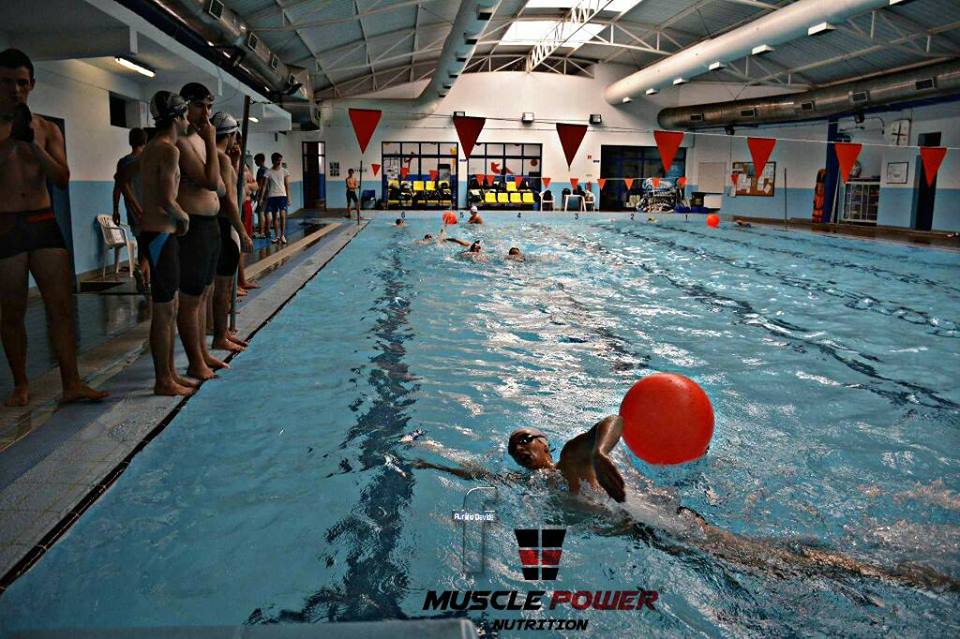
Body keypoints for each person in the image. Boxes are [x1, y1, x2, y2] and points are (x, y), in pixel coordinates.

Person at [412, 416, 959, 592]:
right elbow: (473, 474)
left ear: (544, 445)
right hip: (651, 537)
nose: (521, 446)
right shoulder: (529, 487)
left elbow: (612, 421)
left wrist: (602, 457)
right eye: (514, 446)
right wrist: (428, 456)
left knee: (770, 562)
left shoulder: (573, 466)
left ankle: (899, 575)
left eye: (526, 437)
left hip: (664, 525)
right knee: (763, 565)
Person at [0, 48, 108, 406]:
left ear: (32, 85)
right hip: (6, 225)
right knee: (12, 310)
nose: (15, 90)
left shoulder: (46, 129)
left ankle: (71, 382)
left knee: (60, 307)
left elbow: (62, 178)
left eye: (21, 83)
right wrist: (10, 144)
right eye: (6, 82)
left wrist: (32, 145)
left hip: (43, 222)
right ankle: (21, 385)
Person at [138, 91, 196, 396]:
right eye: (185, 114)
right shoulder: (168, 150)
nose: (188, 120)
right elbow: (164, 198)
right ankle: (163, 380)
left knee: (169, 308)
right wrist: (184, 218)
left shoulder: (151, 148)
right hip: (162, 234)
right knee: (164, 311)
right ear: (176, 117)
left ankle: (170, 373)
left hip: (154, 233)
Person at [175, 81, 227, 381]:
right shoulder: (184, 142)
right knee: (191, 299)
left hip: (209, 225)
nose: (206, 114)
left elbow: (217, 184)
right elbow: (210, 181)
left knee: (204, 294)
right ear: (186, 106)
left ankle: (203, 353)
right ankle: (195, 361)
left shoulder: (196, 140)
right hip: (193, 227)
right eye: (200, 106)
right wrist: (210, 140)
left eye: (209, 106)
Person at [210, 112, 253, 354]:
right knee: (223, 286)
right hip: (224, 225)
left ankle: (221, 331)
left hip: (214, 224)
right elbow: (230, 201)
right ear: (231, 135)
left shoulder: (213, 156)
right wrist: (242, 232)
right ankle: (219, 334)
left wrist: (235, 162)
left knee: (220, 286)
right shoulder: (221, 159)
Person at [113, 127, 148, 292]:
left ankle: (144, 275)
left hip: (133, 211)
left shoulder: (123, 162)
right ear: (145, 141)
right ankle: (146, 275)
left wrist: (115, 210)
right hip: (149, 210)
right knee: (151, 244)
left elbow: (117, 188)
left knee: (142, 243)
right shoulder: (147, 160)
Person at [258, 152, 289, 244]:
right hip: (272, 196)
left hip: (282, 195)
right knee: (275, 216)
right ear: (273, 161)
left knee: (283, 215)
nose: (279, 162)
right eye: (278, 160)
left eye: (280, 160)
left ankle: (282, 235)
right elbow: (264, 186)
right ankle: (277, 236)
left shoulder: (285, 171)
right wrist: (261, 198)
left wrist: (289, 197)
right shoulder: (268, 172)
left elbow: (287, 185)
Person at [253, 153, 268, 239]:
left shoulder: (261, 170)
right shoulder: (267, 170)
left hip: (263, 194)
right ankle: (267, 231)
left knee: (260, 213)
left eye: (256, 160)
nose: (255, 162)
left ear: (260, 160)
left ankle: (261, 232)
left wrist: (258, 196)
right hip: (268, 194)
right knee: (266, 213)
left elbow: (261, 185)